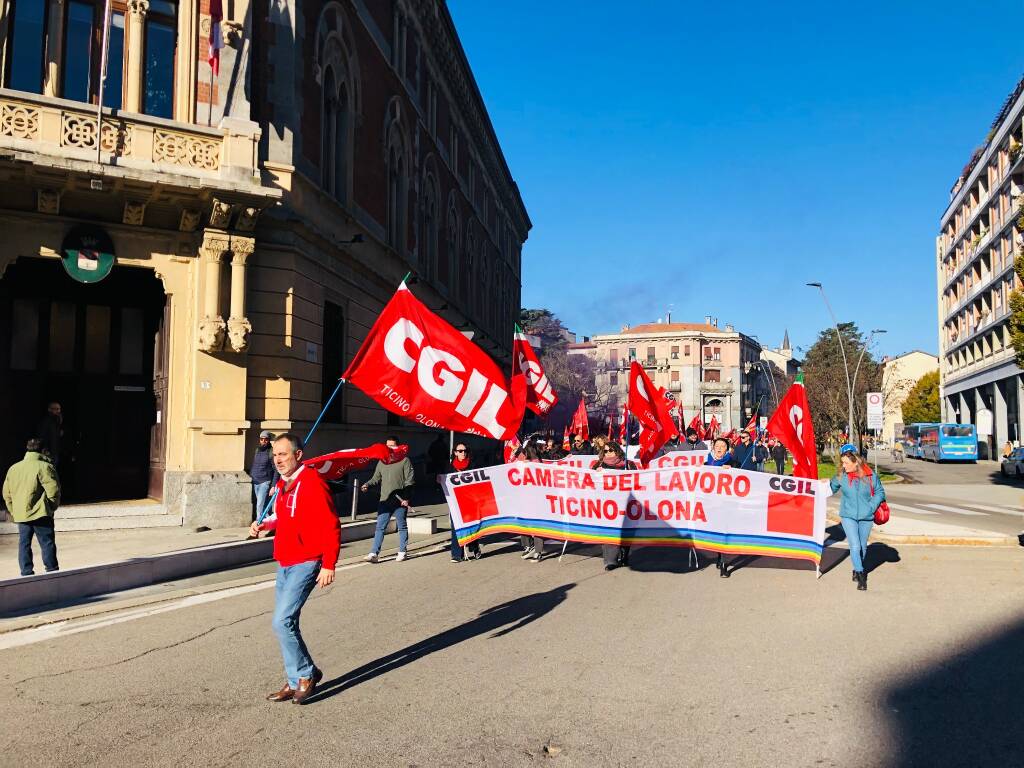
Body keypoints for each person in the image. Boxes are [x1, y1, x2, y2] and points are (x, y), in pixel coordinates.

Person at [248, 433, 339, 704]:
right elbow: (282, 517)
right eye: (276, 455)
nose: (278, 460)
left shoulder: (312, 482)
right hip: (285, 560)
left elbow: (331, 525)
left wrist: (329, 564)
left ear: (298, 455)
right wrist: (264, 525)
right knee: (286, 623)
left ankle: (305, 674)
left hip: (307, 560)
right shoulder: (284, 484)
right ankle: (296, 678)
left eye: (284, 454)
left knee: (281, 621)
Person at [829, 444, 886, 591]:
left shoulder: (870, 475)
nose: (844, 465)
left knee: (862, 547)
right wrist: (819, 484)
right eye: (842, 462)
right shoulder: (842, 476)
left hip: (866, 516)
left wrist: (871, 507)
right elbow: (830, 487)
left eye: (846, 463)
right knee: (854, 546)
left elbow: (880, 492)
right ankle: (861, 575)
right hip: (848, 516)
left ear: (856, 462)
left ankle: (856, 567)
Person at [3, 438, 61, 577]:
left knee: (24, 545)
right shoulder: (44, 466)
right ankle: (52, 572)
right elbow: (53, 490)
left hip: (21, 514)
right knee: (47, 543)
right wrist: (51, 507)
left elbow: (6, 493)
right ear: (42, 450)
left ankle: (26, 573)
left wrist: (13, 510)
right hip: (41, 513)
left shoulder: (14, 468)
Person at [362, 436, 416, 563]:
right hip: (384, 500)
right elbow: (375, 478)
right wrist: (367, 485)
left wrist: (406, 498)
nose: (389, 448)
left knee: (402, 526)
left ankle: (402, 551)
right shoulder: (382, 462)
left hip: (400, 500)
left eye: (392, 446)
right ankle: (374, 553)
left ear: (397, 446)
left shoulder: (405, 461)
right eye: (387, 446)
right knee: (380, 527)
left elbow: (410, 481)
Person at [590, 442, 637, 571]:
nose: (608, 453)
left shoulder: (629, 464)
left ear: (617, 451)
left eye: (610, 450)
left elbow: (639, 481)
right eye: (605, 451)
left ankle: (624, 554)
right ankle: (610, 560)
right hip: (607, 505)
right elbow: (589, 482)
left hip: (625, 503)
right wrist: (596, 474)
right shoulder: (598, 465)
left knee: (626, 532)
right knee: (608, 532)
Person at [443, 442, 482, 563]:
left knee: (473, 526)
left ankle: (474, 547)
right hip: (456, 503)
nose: (463, 453)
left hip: (470, 501)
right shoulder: (449, 467)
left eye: (465, 451)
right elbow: (444, 482)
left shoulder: (473, 465)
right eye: (460, 451)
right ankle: (456, 554)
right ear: (455, 453)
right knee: (456, 527)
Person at [705, 437, 733, 577]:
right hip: (711, 505)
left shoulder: (732, 462)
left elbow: (743, 477)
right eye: (718, 445)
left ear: (726, 449)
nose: (720, 448)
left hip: (726, 504)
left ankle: (723, 564)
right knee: (715, 533)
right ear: (713, 448)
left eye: (723, 446)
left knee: (723, 533)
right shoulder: (706, 463)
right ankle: (719, 556)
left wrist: (732, 470)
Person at [517, 444, 547, 561]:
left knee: (536, 524)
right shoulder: (519, 462)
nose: (520, 455)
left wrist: (529, 465)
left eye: (522, 453)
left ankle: (538, 551)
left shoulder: (536, 463)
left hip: (536, 498)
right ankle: (528, 545)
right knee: (523, 522)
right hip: (523, 497)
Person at [250, 430, 278, 520]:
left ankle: (259, 525)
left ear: (269, 440)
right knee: (263, 504)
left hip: (265, 482)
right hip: (255, 481)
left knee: (259, 505)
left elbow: (276, 470)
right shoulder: (257, 450)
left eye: (265, 439)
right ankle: (268, 522)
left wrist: (273, 485)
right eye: (261, 439)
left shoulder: (271, 452)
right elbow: (255, 464)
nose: (263, 441)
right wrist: (252, 475)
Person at [36, 402, 64, 468]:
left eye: (59, 409)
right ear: (49, 409)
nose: (58, 411)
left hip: (55, 452)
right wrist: (45, 449)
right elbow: (42, 436)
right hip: (48, 453)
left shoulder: (57, 421)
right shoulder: (46, 421)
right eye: (56, 409)